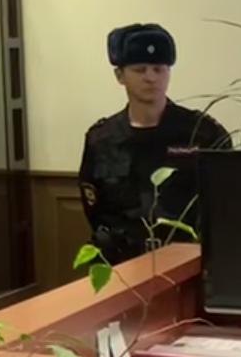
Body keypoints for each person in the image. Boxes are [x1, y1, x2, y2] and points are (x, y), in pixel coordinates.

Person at [79, 23, 231, 263]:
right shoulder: (101, 139)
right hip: (122, 264)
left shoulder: (201, 133)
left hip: (188, 262)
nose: (151, 77)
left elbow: (224, 203)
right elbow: (95, 209)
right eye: (140, 69)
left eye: (159, 69)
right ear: (120, 76)